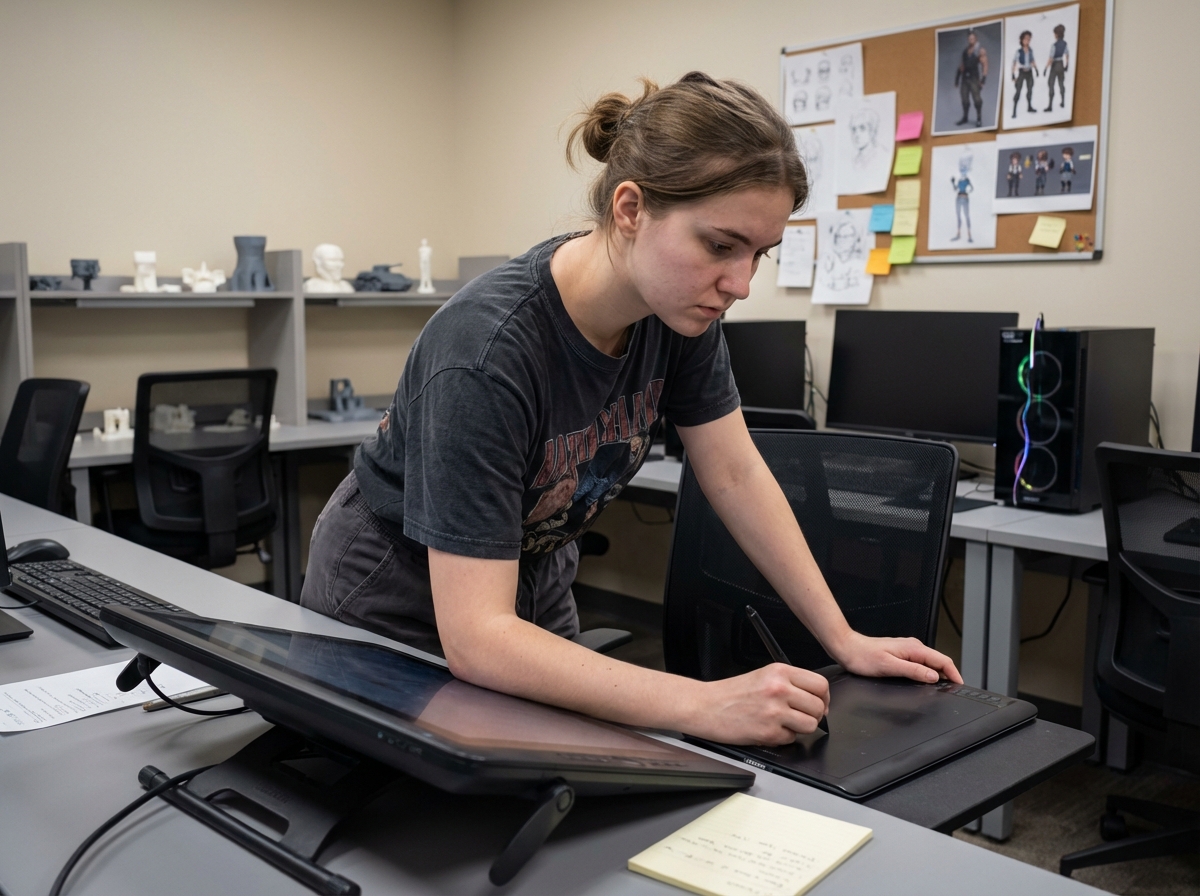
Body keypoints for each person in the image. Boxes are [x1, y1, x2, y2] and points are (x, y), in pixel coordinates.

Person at [300, 72, 961, 748]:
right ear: (630, 209)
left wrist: (843, 638)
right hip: (397, 597)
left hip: (533, 575)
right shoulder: (486, 353)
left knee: (560, 778)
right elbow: (478, 637)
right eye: (720, 245)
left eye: (759, 254)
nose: (740, 284)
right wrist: (705, 704)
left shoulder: (678, 314)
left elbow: (735, 474)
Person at [955, 29, 988, 127]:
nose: (971, 40)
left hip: (974, 78)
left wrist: (983, 79)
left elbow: (985, 64)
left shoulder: (979, 51)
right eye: (969, 39)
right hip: (965, 79)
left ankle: (979, 118)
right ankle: (965, 117)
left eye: (972, 38)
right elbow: (962, 66)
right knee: (964, 100)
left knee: (977, 100)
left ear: (976, 39)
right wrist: (957, 78)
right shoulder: (965, 51)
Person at [1010, 30, 1037, 118]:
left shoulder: (1030, 50)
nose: (1027, 40)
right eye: (1025, 39)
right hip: (1021, 72)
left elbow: (1032, 60)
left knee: (1030, 89)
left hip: (1029, 72)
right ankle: (1014, 111)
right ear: (1022, 40)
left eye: (1029, 39)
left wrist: (1036, 69)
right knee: (1018, 90)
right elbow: (1014, 63)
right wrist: (1013, 74)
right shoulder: (1019, 52)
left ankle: (1029, 107)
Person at [1044, 24, 1070, 111]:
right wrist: (1067, 65)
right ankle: (1063, 102)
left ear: (1057, 34)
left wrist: (1046, 68)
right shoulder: (1065, 44)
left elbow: (1051, 58)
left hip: (1055, 64)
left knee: (1051, 83)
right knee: (1061, 83)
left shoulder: (1054, 45)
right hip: (1061, 64)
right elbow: (1067, 55)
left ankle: (1050, 106)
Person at [950, 154, 974, 242]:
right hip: (958, 198)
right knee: (958, 215)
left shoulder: (967, 180)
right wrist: (953, 183)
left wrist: (966, 191)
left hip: (964, 198)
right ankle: (958, 234)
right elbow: (956, 189)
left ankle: (969, 235)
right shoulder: (959, 180)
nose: (962, 170)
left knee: (966, 216)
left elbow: (971, 189)